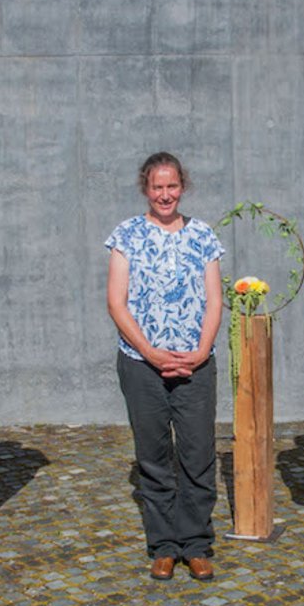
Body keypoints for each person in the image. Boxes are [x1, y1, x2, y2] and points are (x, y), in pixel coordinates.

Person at [106, 152, 225, 581]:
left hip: (195, 365)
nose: (165, 195)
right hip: (142, 365)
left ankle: (195, 543)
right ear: (146, 188)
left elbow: (215, 300)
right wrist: (152, 353)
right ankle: (163, 545)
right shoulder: (127, 235)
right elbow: (117, 303)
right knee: (153, 457)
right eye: (157, 187)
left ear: (182, 186)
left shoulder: (203, 235)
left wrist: (201, 349)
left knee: (197, 455)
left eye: (172, 186)